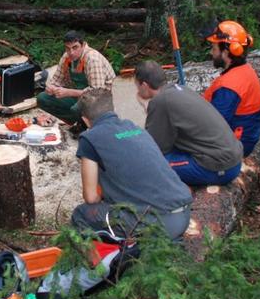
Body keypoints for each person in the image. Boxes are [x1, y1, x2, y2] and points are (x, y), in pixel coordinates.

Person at [70, 88, 194, 240]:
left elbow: (90, 197)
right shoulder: (135, 129)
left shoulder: (90, 139)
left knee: (81, 214)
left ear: (85, 119)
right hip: (184, 213)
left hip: (158, 223)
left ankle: (106, 262)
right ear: (112, 109)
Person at [134, 60, 243, 186]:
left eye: (137, 86)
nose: (137, 91)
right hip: (232, 159)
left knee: (150, 165)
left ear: (144, 86)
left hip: (219, 167)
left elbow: (154, 148)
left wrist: (145, 108)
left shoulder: (161, 101)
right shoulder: (181, 90)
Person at [203, 20, 260, 156]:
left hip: (234, 145)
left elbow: (213, 126)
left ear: (226, 53)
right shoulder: (244, 70)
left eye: (214, 48)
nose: (211, 52)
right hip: (244, 134)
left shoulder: (228, 87)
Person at [36, 30, 116, 132]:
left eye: (75, 47)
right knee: (43, 98)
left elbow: (96, 93)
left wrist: (68, 92)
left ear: (82, 45)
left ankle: (88, 126)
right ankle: (75, 122)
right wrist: (51, 87)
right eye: (68, 49)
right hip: (78, 94)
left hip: (99, 101)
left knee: (76, 109)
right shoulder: (66, 57)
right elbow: (57, 80)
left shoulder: (92, 59)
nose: (71, 52)